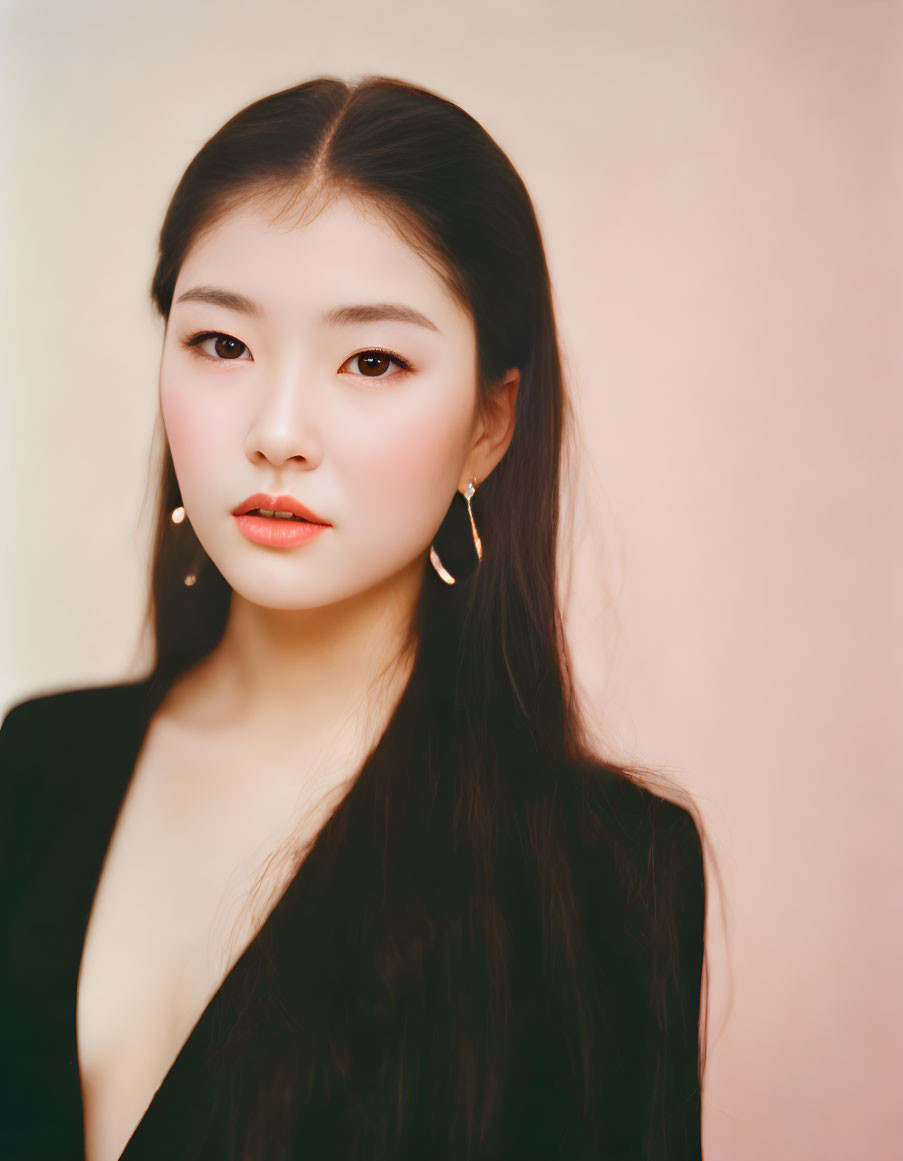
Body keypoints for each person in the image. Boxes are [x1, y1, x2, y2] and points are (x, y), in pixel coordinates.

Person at [0, 74, 708, 1161]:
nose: (277, 430)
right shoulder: (37, 764)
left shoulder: (604, 873)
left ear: (489, 424)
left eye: (372, 360)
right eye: (221, 345)